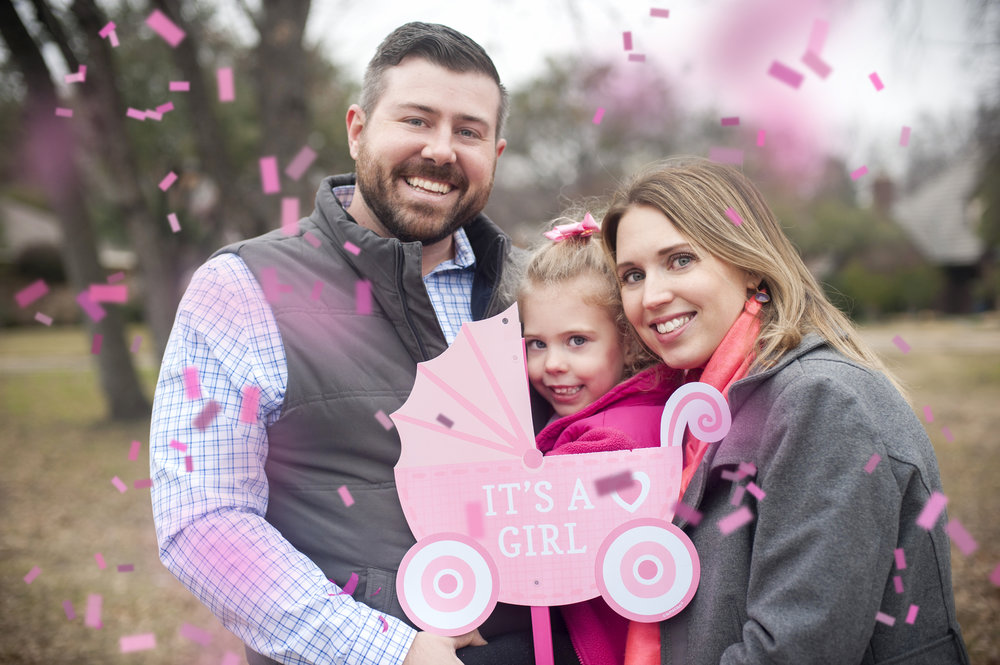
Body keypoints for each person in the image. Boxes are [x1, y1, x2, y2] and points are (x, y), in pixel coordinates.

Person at [150, 22, 536, 665]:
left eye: (468, 131)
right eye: (416, 120)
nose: (441, 150)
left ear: (495, 152)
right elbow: (204, 520)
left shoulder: (535, 295)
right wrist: (390, 653)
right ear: (357, 129)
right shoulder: (243, 289)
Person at [600, 157, 970, 664]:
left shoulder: (822, 403)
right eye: (632, 275)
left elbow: (794, 651)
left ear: (749, 261)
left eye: (680, 260)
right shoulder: (703, 405)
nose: (653, 295)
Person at [517, 214, 683, 665]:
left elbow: (540, 513)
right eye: (536, 343)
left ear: (628, 343)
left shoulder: (612, 440)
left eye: (576, 341)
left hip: (605, 647)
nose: (552, 364)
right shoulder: (646, 408)